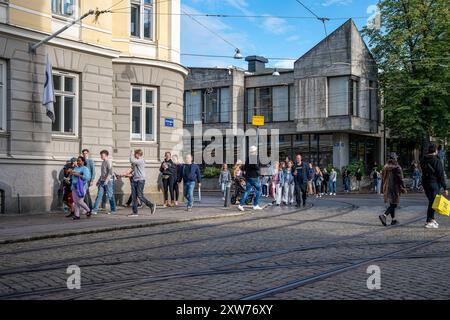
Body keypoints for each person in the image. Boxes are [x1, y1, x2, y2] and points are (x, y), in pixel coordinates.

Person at [421, 144, 448, 229]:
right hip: (433, 183)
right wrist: (445, 187)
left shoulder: (423, 159)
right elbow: (440, 174)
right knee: (433, 202)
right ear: (435, 151)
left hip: (425, 183)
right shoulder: (436, 160)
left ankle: (432, 219)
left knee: (432, 201)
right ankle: (428, 221)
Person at [379, 153, 406, 226]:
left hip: (387, 187)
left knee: (392, 203)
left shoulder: (385, 167)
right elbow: (401, 178)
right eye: (396, 158)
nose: (397, 159)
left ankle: (393, 220)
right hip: (395, 188)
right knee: (394, 205)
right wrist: (403, 187)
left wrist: (382, 188)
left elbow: (383, 178)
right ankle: (384, 215)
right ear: (394, 158)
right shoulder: (397, 167)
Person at [128, 149, 156, 217]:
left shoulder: (141, 160)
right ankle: (135, 212)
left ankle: (151, 205)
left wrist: (131, 154)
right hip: (135, 180)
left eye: (135, 154)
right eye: (134, 154)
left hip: (140, 180)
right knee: (134, 197)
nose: (134, 155)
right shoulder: (136, 161)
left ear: (138, 154)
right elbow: (134, 168)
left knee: (140, 195)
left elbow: (131, 160)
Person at [238, 146, 263, 212]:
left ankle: (240, 205)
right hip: (254, 176)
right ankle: (255, 205)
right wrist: (258, 167)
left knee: (247, 191)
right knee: (259, 189)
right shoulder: (255, 157)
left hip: (248, 177)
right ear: (255, 151)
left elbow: (245, 167)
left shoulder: (248, 158)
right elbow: (256, 166)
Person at [91, 150, 116, 215]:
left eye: (102, 155)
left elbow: (110, 172)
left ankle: (113, 209)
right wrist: (99, 180)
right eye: (101, 155)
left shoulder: (109, 162)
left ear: (106, 155)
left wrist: (107, 180)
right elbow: (103, 173)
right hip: (102, 181)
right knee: (99, 195)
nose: (101, 156)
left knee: (110, 195)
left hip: (108, 181)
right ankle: (94, 209)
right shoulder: (103, 162)